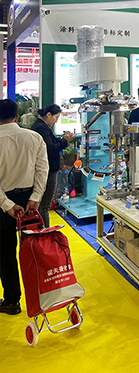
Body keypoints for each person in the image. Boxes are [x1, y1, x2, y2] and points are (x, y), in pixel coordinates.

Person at [0, 98, 49, 315]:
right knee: (35, 249)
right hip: (30, 201)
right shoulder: (35, 137)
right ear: (17, 117)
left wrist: (7, 204)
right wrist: (36, 197)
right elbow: (42, 170)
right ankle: (43, 295)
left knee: (5, 252)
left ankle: (12, 300)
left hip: (2, 203)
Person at [31, 104, 75, 227]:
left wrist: (62, 139)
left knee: (42, 205)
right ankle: (45, 232)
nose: (56, 121)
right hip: (48, 170)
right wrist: (64, 141)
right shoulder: (41, 128)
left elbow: (51, 143)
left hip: (45, 169)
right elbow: (50, 149)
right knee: (44, 205)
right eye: (56, 117)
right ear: (48, 114)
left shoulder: (41, 127)